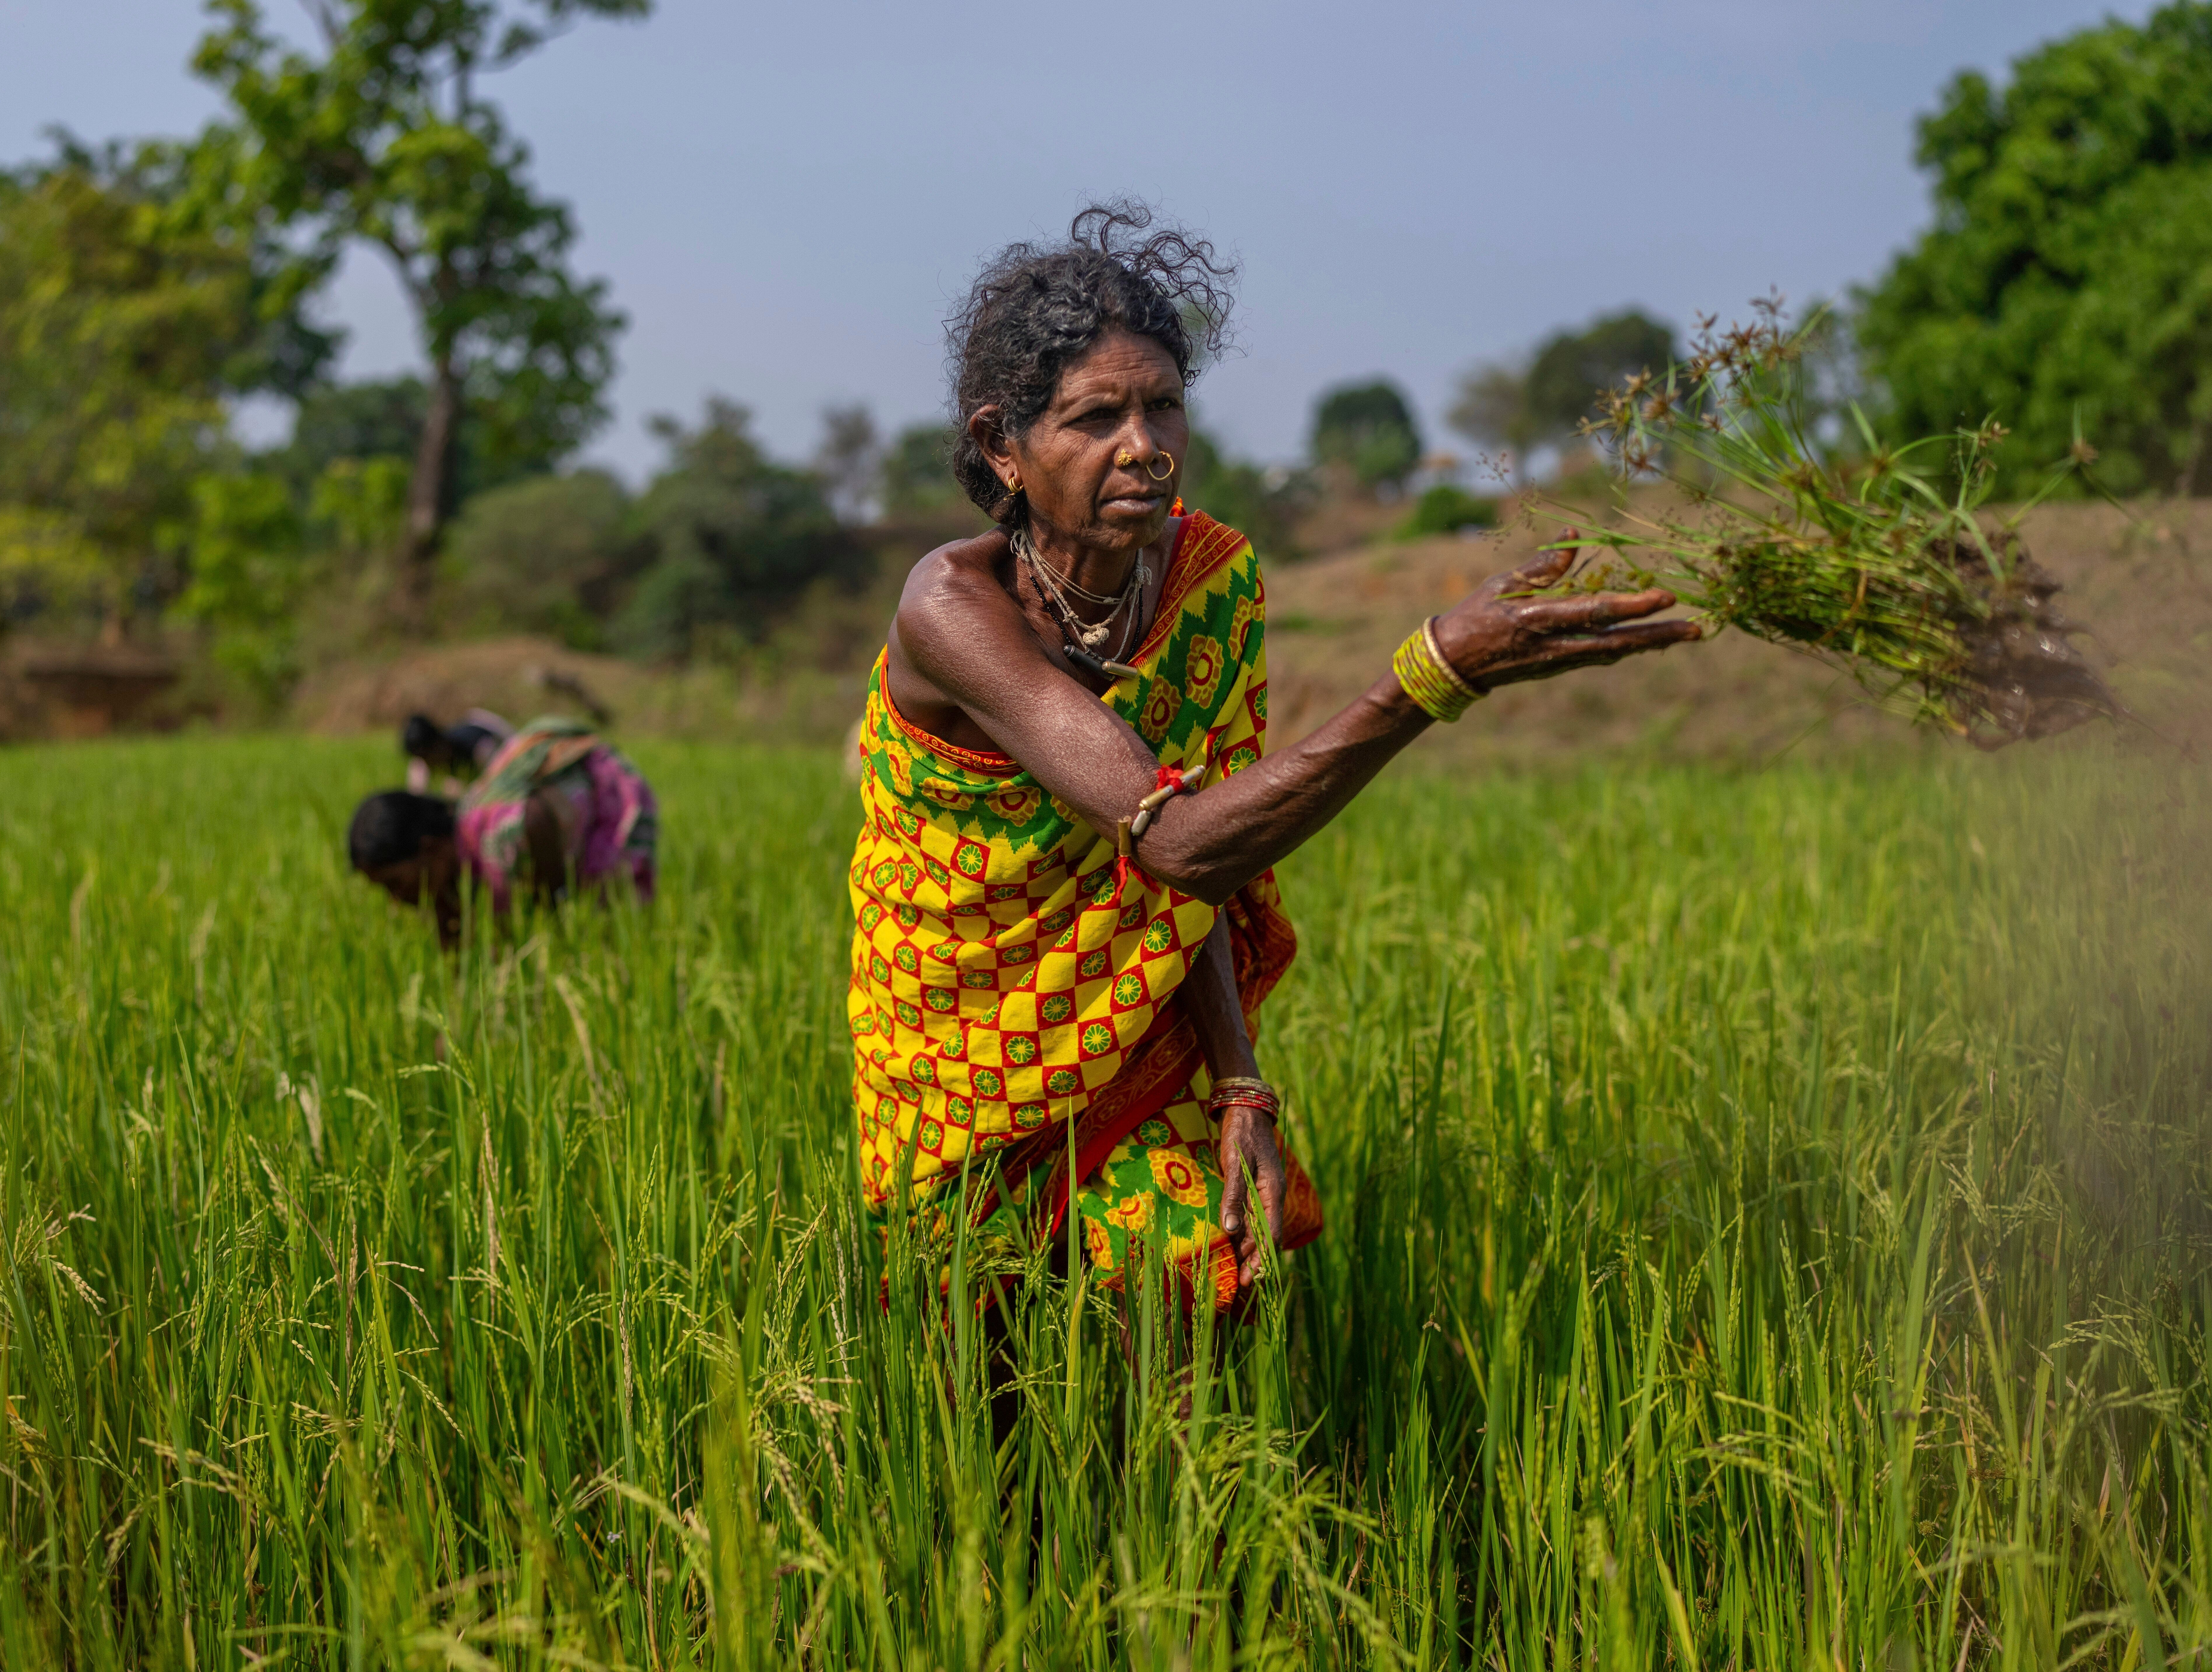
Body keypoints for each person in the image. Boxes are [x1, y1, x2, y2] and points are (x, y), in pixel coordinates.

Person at [850, 204, 1695, 1312]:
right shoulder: (951, 610)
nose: (1142, 444)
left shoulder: (1208, 583)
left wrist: (1239, 1082)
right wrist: (1429, 674)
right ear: (1003, 446)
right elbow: (1180, 842)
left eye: (1162, 405)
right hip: (960, 1042)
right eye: (1094, 416)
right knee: (979, 1351)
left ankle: (1168, 1494)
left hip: (1124, 1033)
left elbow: (1182, 886)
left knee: (1198, 1276)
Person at [351, 714, 658, 944]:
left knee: (610, 926)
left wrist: (555, 901)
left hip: (608, 795)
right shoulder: (450, 873)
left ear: (430, 849)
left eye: (394, 883)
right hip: (560, 826)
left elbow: (534, 818)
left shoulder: (500, 837)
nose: (395, 899)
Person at [403, 709, 513, 795]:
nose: (426, 763)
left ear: (438, 746)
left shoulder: (480, 749)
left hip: (505, 755)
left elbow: (501, 782)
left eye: (426, 757)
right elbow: (416, 796)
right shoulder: (429, 757)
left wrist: (469, 794)